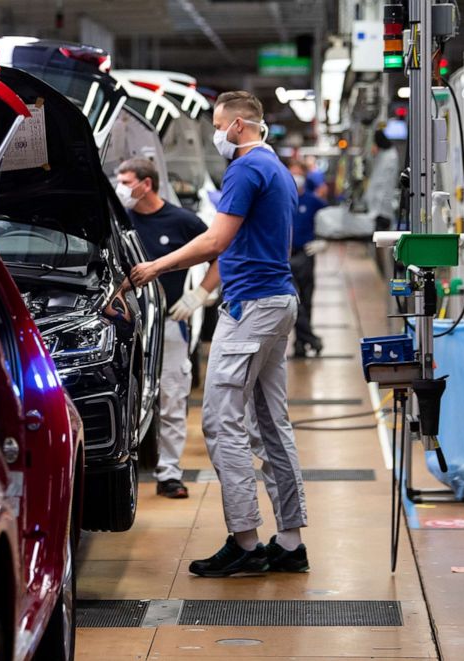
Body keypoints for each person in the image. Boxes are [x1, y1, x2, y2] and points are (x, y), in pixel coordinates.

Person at [130, 90, 309, 577]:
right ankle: (290, 542)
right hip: (277, 301)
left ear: (238, 127)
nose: (216, 135)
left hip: (251, 309)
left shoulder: (247, 169)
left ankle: (246, 541)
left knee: (220, 420)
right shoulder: (277, 170)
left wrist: (154, 267)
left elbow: (216, 240)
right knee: (272, 424)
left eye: (217, 125)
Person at [116, 157, 209, 499]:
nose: (121, 188)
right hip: (124, 326)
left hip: (169, 326)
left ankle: (169, 472)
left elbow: (222, 252)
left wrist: (199, 294)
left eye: (125, 182)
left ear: (146, 184)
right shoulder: (117, 222)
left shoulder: (182, 221)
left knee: (172, 398)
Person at [287, 160, 327, 358]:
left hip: (306, 254)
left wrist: (323, 240)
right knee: (294, 301)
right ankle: (311, 338)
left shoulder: (313, 200)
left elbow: (329, 220)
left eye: (298, 173)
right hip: (286, 256)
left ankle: (301, 343)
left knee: (307, 300)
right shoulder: (282, 199)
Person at [364, 129, 400, 231]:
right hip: (377, 208)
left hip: (382, 208)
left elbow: (384, 184)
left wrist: (377, 209)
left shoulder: (390, 156)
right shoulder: (383, 154)